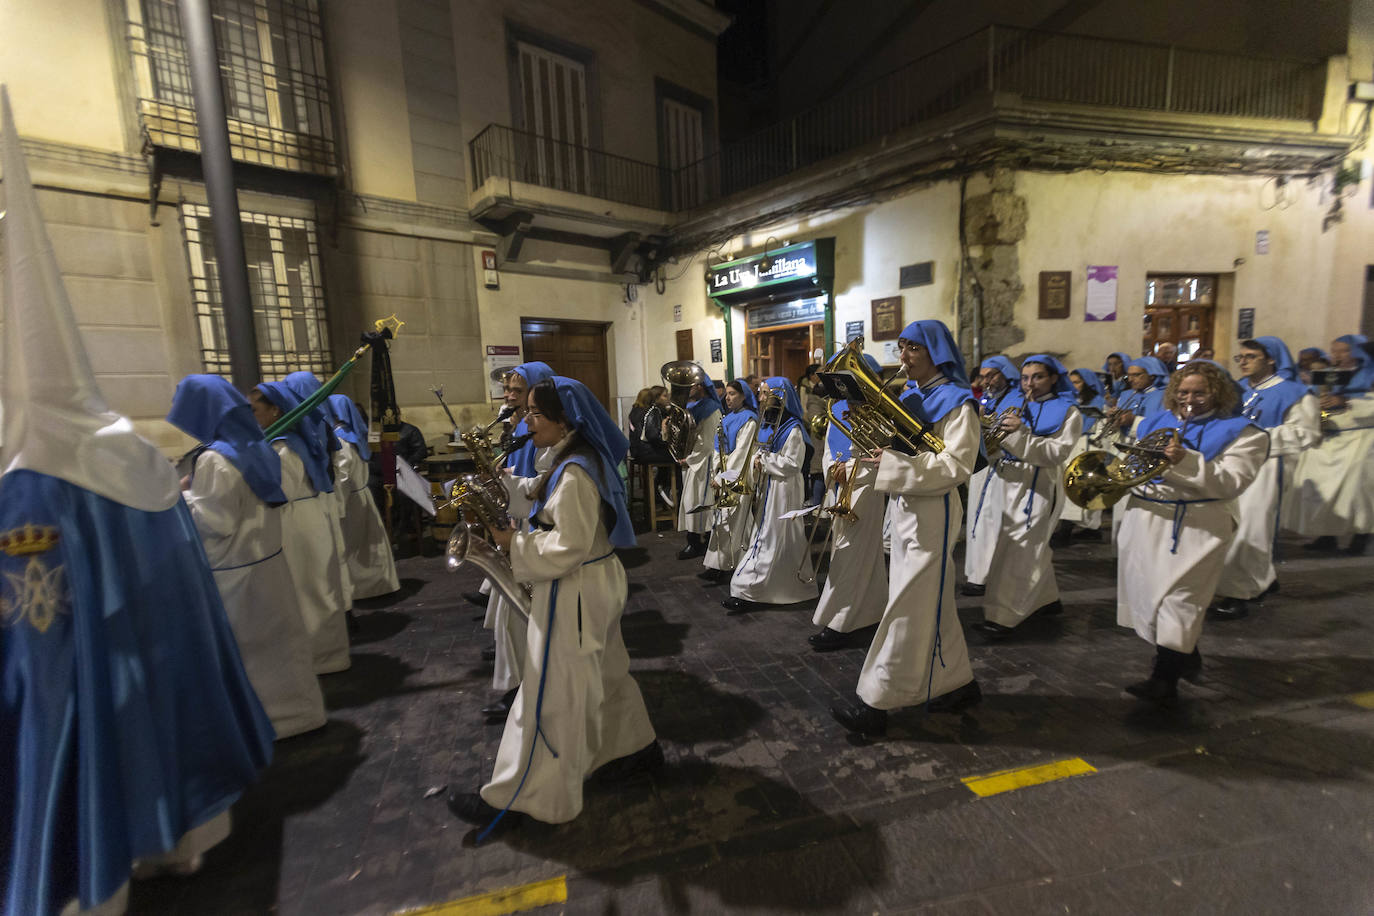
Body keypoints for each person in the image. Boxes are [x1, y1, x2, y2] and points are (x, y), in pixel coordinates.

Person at [0, 97, 274, 915]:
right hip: (198, 628)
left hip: (151, 642)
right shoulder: (132, 457)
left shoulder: (48, 481)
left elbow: (40, 640)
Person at [447, 377, 659, 837]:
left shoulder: (575, 472)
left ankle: (528, 799)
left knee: (550, 696)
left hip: (575, 587)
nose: (527, 419)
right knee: (606, 673)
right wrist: (504, 483)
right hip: (595, 582)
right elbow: (543, 492)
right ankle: (635, 748)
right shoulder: (572, 458)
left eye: (535, 413)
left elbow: (568, 546)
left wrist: (511, 542)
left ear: (565, 419)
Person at [830, 320, 982, 736]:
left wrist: (896, 464)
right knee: (931, 604)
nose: (904, 357)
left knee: (906, 608)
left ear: (937, 352)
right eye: (900, 348)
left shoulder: (957, 403)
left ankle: (875, 703)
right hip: (906, 506)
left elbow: (956, 466)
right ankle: (959, 683)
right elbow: (902, 449)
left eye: (912, 348)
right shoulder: (913, 396)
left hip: (934, 509)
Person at [168, 375, 327, 740]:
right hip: (268, 563)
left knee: (253, 654)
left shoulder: (214, 459)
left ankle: (269, 723)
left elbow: (216, 522)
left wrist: (180, 498)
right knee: (283, 648)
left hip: (236, 573)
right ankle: (302, 714)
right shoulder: (257, 445)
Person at [1116, 360, 1268, 705]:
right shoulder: (1156, 422)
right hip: (1148, 518)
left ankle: (1164, 679)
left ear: (1218, 392)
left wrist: (1184, 461)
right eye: (1183, 391)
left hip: (1198, 524)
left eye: (1200, 392)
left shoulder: (1244, 432)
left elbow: (1233, 481)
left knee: (1182, 597)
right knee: (1151, 593)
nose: (1190, 399)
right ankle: (1186, 655)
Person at [974, 355, 1082, 639]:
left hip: (1038, 484)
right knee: (1010, 543)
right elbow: (996, 444)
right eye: (1025, 378)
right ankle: (1048, 600)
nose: (1030, 384)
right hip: (1006, 479)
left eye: (1038, 377)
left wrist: (1019, 435)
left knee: (1020, 548)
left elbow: (1055, 454)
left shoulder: (1068, 411)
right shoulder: (1016, 405)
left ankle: (1003, 617)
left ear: (1053, 378)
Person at [1209, 339, 1319, 619]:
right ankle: (1262, 578)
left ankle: (1238, 593)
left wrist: (1257, 439)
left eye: (1251, 356)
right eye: (1240, 356)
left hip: (1268, 466)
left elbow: (1306, 433)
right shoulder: (1238, 390)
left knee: (1251, 528)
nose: (1243, 362)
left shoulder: (1295, 392)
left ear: (1271, 360)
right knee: (1230, 525)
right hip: (1231, 464)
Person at [250, 381, 353, 674]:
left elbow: (281, 491)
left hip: (297, 521)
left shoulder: (283, 448)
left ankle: (321, 657)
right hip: (306, 515)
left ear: (275, 411)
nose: (251, 416)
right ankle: (325, 655)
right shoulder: (291, 441)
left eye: (255, 410)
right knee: (315, 587)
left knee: (310, 590)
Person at [481, 361, 556, 723]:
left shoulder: (549, 441)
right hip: (521, 526)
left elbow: (543, 488)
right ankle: (518, 683)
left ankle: (525, 688)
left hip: (533, 532)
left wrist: (512, 486)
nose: (508, 395)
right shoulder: (522, 426)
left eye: (516, 389)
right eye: (507, 389)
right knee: (510, 615)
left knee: (521, 615)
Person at [809, 354, 889, 651]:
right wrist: (834, 470)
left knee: (850, 553)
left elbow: (883, 452)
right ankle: (869, 610)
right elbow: (830, 444)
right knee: (858, 553)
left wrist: (852, 471)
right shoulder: (837, 406)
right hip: (841, 486)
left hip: (866, 487)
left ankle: (843, 621)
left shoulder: (879, 409)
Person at [723, 377, 819, 611]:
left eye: (766, 393)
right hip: (769, 488)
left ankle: (756, 588)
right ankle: (771, 585)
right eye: (761, 393)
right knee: (772, 537)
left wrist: (762, 460)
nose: (761, 398)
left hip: (784, 488)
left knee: (776, 536)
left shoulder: (792, 427)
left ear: (780, 396)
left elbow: (792, 463)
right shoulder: (768, 423)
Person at [1283, 334, 1374, 556]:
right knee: (1319, 482)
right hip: (1331, 432)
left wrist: (1348, 402)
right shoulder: (1331, 374)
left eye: (1343, 350)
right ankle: (1327, 534)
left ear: (1357, 352)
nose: (1337, 355)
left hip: (1361, 436)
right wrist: (1321, 411)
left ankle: (1360, 536)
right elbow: (1320, 398)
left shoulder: (1371, 374)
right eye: (1334, 350)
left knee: (1355, 488)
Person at [324, 394, 400, 600]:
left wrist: (337, 505)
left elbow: (342, 475)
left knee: (356, 546)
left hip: (351, 499)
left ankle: (366, 587)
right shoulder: (352, 434)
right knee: (369, 542)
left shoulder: (340, 438)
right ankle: (379, 582)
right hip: (360, 494)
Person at [963, 355, 1021, 597]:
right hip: (984, 464)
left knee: (990, 521)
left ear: (1005, 374)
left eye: (992, 376)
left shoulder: (1018, 399)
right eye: (983, 377)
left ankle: (983, 576)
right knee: (978, 520)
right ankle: (976, 572)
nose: (986, 381)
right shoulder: (989, 397)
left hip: (1004, 469)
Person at [701, 379, 761, 584]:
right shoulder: (727, 418)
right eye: (726, 393)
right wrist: (715, 470)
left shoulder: (749, 420)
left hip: (738, 477)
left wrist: (722, 477)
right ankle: (718, 564)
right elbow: (718, 447)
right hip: (724, 475)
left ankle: (736, 564)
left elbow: (742, 454)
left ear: (744, 396)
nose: (727, 397)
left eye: (733, 394)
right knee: (721, 521)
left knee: (734, 522)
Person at [1053, 367, 1110, 544]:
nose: (1073, 385)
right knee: (1068, 488)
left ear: (1088, 384)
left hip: (1088, 448)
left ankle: (1070, 530)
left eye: (1077, 382)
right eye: (1072, 382)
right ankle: (1090, 529)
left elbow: (1103, 428)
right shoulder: (1068, 400)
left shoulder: (1100, 403)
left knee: (1088, 490)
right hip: (1071, 447)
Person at [671, 372, 722, 560]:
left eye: (690, 386)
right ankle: (693, 541)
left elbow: (708, 443)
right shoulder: (694, 407)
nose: (686, 390)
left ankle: (703, 542)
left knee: (700, 502)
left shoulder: (711, 409)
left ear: (700, 387)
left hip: (704, 464)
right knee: (691, 501)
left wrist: (689, 458)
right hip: (693, 461)